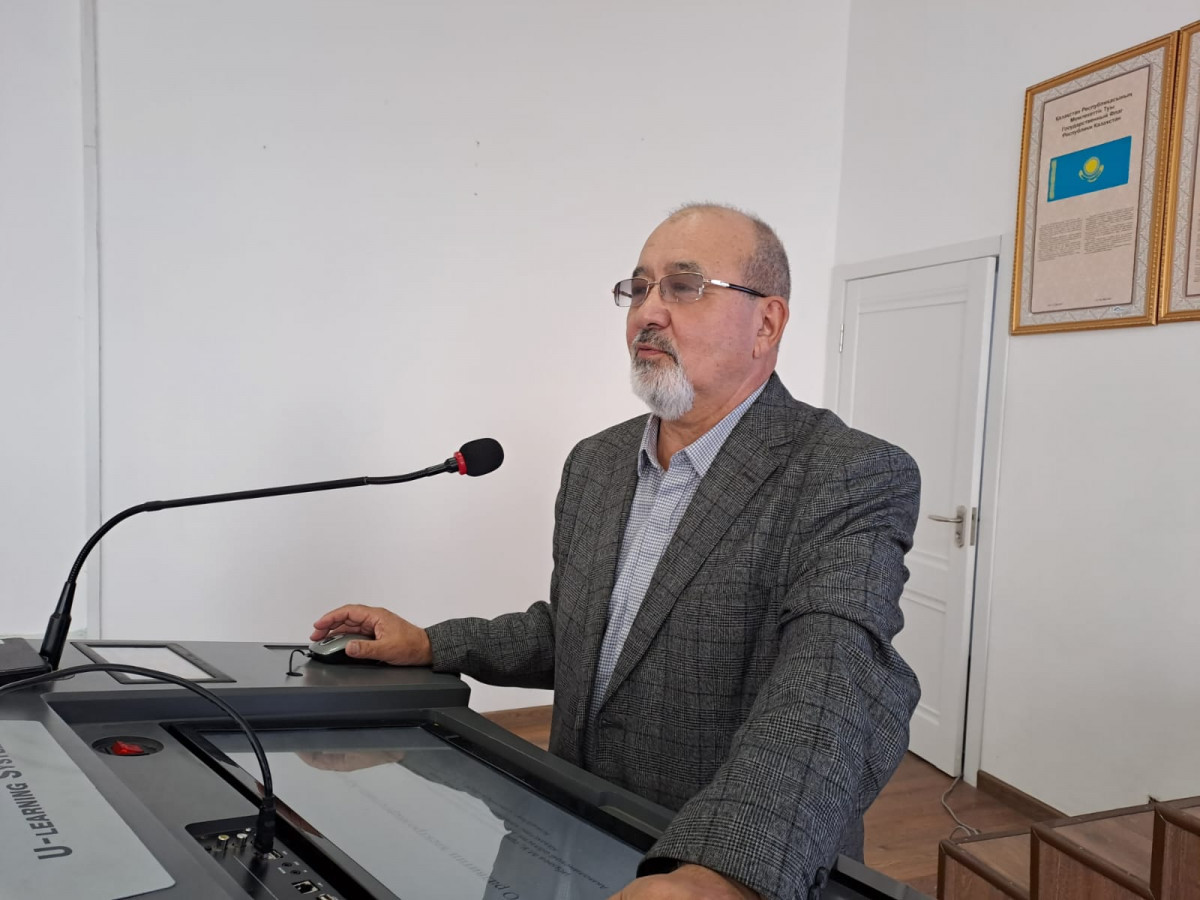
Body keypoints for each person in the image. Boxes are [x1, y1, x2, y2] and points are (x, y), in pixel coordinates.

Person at [312, 204, 921, 900]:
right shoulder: (596, 463)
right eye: (639, 288)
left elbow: (834, 681)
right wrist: (429, 643)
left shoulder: (848, 472)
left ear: (767, 323)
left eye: (684, 287)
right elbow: (579, 636)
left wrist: (721, 873)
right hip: (565, 837)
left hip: (706, 867)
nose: (647, 313)